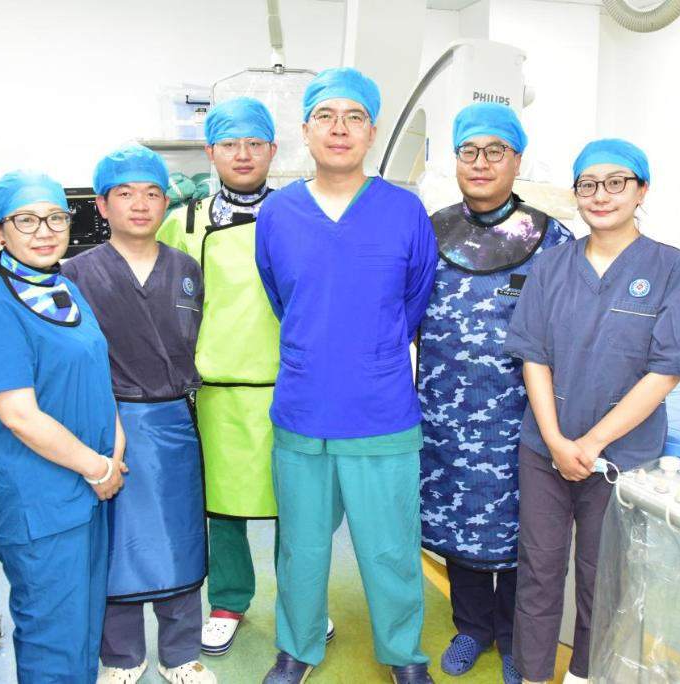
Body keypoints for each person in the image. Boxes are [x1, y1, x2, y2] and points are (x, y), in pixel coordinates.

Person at [255, 66, 438, 684]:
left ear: (372, 132)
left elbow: (412, 303)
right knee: (301, 548)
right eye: (326, 117)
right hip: (303, 408)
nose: (340, 128)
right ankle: (297, 648)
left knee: (391, 548)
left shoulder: (405, 212)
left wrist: (370, 351)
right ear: (306, 129)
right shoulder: (278, 213)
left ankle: (403, 654)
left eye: (354, 117)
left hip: (381, 410)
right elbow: (283, 297)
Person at [502, 139, 680, 684]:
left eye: (617, 182)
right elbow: (533, 356)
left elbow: (667, 369)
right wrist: (556, 440)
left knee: (603, 576)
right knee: (539, 570)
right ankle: (531, 674)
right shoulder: (550, 266)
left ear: (642, 191)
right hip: (545, 450)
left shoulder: (672, 269)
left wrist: (591, 445)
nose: (601, 195)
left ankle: (585, 675)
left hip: (620, 457)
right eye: (588, 184)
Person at [157, 97, 334, 656]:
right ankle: (228, 602)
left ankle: (302, 602)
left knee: (298, 506)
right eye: (229, 144)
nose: (242, 154)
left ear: (273, 150)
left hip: (293, 385)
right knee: (224, 508)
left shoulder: (303, 213)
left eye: (254, 143)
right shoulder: (185, 222)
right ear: (211, 152)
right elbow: (164, 306)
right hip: (218, 390)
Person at [417, 102, 573, 684]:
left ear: (517, 160)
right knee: (458, 518)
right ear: (456, 159)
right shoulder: (428, 232)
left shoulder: (551, 238)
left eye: (495, 151)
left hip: (523, 414)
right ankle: (471, 626)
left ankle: (513, 636)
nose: (481, 163)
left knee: (519, 524)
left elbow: (568, 327)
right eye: (469, 151)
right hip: (445, 411)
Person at [0, 171, 125, 684]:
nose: (44, 231)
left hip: (91, 489)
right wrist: (98, 468)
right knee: (54, 636)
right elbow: (19, 416)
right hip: (43, 502)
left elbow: (97, 374)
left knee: (85, 626)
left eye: (55, 218)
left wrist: (114, 450)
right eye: (26, 220)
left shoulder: (64, 287)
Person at [62, 145, 213, 684]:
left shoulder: (187, 269)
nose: (141, 204)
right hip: (107, 422)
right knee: (116, 545)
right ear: (102, 205)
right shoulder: (75, 274)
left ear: (166, 203)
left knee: (179, 538)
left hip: (175, 423)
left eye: (152, 193)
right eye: (125, 194)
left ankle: (181, 654)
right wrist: (103, 426)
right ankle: (122, 657)